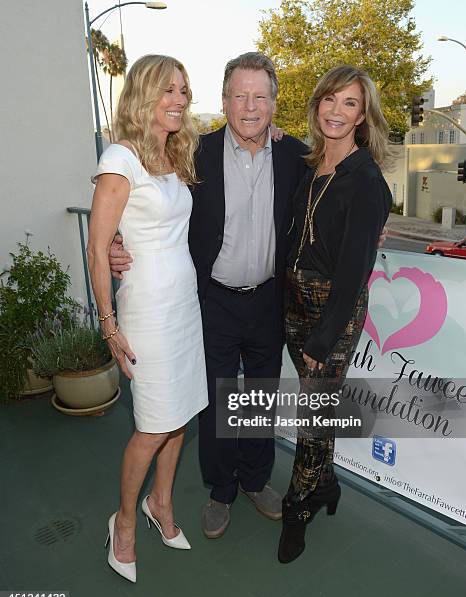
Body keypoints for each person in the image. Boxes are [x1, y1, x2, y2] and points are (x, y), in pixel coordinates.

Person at [110, 52, 310, 538]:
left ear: (273, 103)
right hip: (210, 299)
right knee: (216, 400)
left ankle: (257, 481)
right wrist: (117, 243)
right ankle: (221, 490)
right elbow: (136, 197)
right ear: (224, 101)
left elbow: (337, 194)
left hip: (267, 299)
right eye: (239, 95)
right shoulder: (192, 152)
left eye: (260, 96)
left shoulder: (295, 155)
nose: (249, 106)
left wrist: (372, 229)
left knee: (260, 395)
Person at [87, 55, 208, 582]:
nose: (179, 100)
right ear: (143, 95)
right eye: (167, 91)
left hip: (184, 303)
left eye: (183, 90)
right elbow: (97, 249)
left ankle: (163, 503)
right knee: (151, 425)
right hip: (148, 310)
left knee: (180, 415)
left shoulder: (174, 152)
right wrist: (109, 326)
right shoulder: (121, 157)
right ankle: (125, 522)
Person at [277, 65, 392, 564]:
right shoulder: (310, 163)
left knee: (313, 415)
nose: (336, 111)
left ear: (363, 114)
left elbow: (353, 276)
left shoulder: (366, 180)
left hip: (334, 314)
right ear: (317, 105)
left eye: (349, 103)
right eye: (330, 100)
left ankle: (296, 505)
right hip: (293, 306)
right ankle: (327, 486)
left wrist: (324, 339)